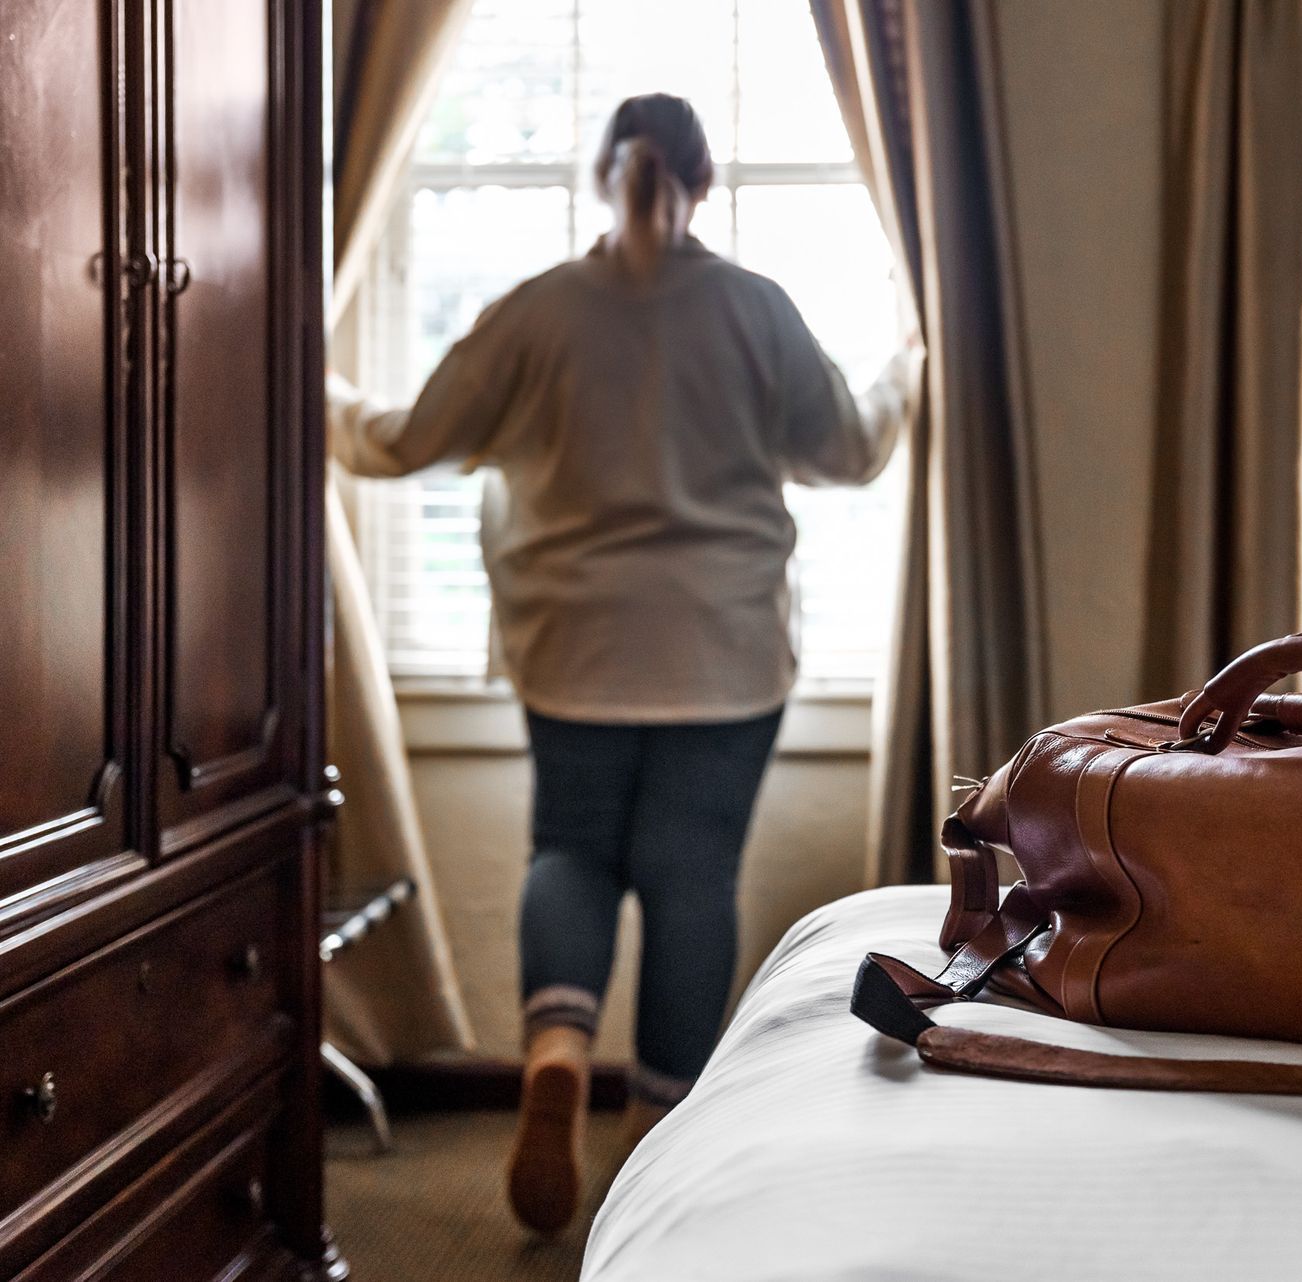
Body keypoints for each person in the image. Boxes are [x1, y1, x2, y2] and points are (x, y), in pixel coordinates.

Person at [328, 93, 918, 1234]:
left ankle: (555, 1048)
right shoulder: (757, 308)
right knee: (692, 875)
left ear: (606, 176)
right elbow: (847, 450)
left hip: (575, 645)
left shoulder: (535, 313)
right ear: (704, 179)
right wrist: (902, 375)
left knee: (573, 850)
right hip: (724, 651)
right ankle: (659, 1133)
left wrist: (324, 393)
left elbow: (405, 443)